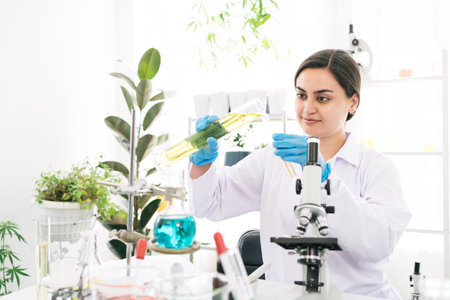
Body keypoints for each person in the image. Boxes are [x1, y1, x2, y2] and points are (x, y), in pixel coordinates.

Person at [187, 49, 411, 299]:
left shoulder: (376, 167)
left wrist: (321, 177)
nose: (307, 108)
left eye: (322, 99)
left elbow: (377, 244)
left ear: (353, 102)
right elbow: (210, 203)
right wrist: (202, 164)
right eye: (301, 95)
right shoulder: (274, 158)